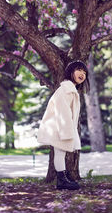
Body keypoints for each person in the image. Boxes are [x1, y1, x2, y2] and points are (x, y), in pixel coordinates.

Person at [37, 60, 90, 190]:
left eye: (84, 72)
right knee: (60, 153)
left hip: (61, 127)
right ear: (71, 72)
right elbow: (63, 112)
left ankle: (63, 177)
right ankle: (61, 180)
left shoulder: (70, 89)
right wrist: (66, 132)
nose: (82, 74)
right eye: (79, 70)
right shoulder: (66, 89)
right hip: (60, 128)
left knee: (60, 153)